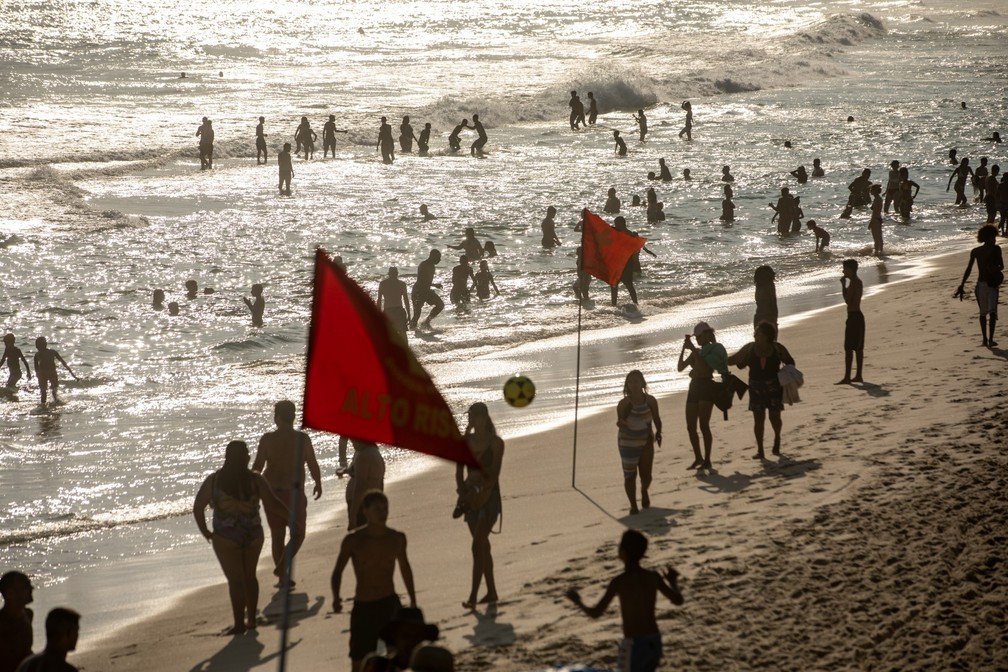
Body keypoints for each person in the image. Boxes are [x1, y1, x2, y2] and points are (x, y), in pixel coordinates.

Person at [193, 440, 286, 635]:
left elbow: (198, 506)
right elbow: (274, 503)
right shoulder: (256, 480)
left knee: (235, 581)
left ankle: (239, 624)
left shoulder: (215, 480)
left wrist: (206, 532)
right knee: (250, 577)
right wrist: (292, 520)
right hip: (252, 534)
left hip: (225, 537)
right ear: (246, 458)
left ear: (227, 458)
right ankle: (251, 620)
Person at [565, 531, 683, 672]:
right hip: (655, 641)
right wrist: (673, 582)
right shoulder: (653, 577)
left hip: (635, 645)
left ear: (623, 552)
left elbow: (596, 613)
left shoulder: (619, 582)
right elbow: (678, 600)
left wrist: (578, 601)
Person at [331, 491, 417, 672]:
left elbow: (405, 568)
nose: (382, 512)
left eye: (385, 508)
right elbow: (337, 571)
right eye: (377, 509)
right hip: (364, 606)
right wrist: (336, 597)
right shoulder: (353, 540)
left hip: (390, 603)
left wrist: (412, 598)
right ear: (365, 511)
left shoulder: (396, 538)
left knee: (397, 657)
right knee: (359, 661)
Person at [251, 400, 323, 586]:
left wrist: (251, 487)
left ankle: (283, 575)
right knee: (298, 534)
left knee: (277, 536)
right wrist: (318, 482)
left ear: (277, 418)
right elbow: (312, 463)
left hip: (272, 492)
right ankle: (283, 568)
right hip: (294, 493)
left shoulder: (267, 439)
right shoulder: (302, 439)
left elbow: (258, 467)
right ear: (293, 417)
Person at [454, 403, 504, 610]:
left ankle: (473, 596)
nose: (472, 420)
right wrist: (463, 493)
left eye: (475, 416)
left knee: (477, 544)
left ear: (484, 417)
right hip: (468, 498)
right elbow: (458, 472)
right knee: (482, 546)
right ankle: (491, 592)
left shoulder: (496, 443)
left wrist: (482, 493)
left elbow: (494, 474)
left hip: (490, 498)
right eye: (471, 417)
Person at [728, 322, 796, 459]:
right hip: (755, 388)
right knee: (758, 419)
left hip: (774, 387)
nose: (755, 335)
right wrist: (714, 354)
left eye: (758, 333)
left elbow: (790, 361)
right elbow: (732, 360)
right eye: (755, 332)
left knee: (774, 417)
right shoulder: (749, 348)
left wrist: (785, 376)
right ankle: (760, 450)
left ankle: (777, 438)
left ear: (767, 335)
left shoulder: (777, 348)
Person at [677, 322, 727, 470]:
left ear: (706, 335)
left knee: (704, 425)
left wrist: (693, 349)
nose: (697, 339)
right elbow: (680, 368)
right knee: (690, 426)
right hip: (694, 387)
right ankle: (698, 457)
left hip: (706, 386)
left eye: (698, 336)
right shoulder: (697, 351)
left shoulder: (713, 350)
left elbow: (705, 369)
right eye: (696, 337)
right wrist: (684, 349)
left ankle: (707, 459)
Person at [616, 370, 662, 515]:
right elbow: (621, 422)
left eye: (636, 381)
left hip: (646, 440)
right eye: (630, 382)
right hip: (627, 442)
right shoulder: (623, 404)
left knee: (646, 475)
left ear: (642, 383)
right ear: (627, 385)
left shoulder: (650, 400)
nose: (633, 385)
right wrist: (621, 422)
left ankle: (644, 490)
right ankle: (633, 505)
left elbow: (656, 418)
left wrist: (659, 432)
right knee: (630, 475)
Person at [954, 224, 1003, 347]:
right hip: (980, 285)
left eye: (995, 237)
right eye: (992, 237)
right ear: (986, 238)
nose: (995, 240)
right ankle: (984, 339)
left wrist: (995, 269)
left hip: (992, 284)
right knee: (982, 312)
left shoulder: (997, 249)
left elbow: (1001, 266)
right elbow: (969, 269)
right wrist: (962, 284)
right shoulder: (976, 252)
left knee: (992, 312)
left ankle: (991, 339)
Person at [363, 607, 439, 672]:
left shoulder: (435, 667)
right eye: (406, 636)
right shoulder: (379, 666)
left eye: (417, 636)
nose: (412, 641)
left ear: (423, 638)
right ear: (394, 637)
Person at [13, 608, 79, 672]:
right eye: (76, 631)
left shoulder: (26, 664)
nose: (77, 636)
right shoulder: (66, 670)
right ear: (68, 633)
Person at [340, 439, 385, 530]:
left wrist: (353, 515)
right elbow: (379, 482)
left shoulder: (363, 456)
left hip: (361, 505)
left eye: (353, 441)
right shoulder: (375, 453)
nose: (353, 445)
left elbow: (360, 486)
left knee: (360, 539)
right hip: (372, 502)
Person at [837, 259, 865, 384]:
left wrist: (843, 286)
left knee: (849, 348)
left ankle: (848, 377)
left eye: (845, 268)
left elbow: (848, 300)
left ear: (850, 270)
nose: (843, 271)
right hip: (856, 316)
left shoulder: (854, 283)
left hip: (854, 316)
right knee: (858, 348)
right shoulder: (857, 282)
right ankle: (858, 375)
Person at [0, 571, 33, 672]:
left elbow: (26, 651)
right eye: (26, 586)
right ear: (10, 594)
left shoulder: (28, 614)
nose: (32, 588)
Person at [33, 337, 77, 406]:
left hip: (43, 373)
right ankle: (56, 402)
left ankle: (43, 406)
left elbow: (36, 368)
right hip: (51, 372)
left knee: (43, 392)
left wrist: (38, 375)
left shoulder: (38, 354)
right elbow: (63, 362)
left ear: (37, 346)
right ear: (46, 344)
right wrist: (72, 373)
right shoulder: (52, 352)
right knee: (54, 390)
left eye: (37, 345)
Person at [409, 250, 444, 330]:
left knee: (440, 305)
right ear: (433, 256)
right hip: (418, 291)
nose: (439, 260)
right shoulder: (424, 265)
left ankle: (426, 322)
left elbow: (427, 281)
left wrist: (434, 285)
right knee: (417, 314)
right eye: (438, 258)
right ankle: (411, 331)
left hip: (426, 290)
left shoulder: (432, 266)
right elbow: (421, 281)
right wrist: (433, 285)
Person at [378, 267, 411, 337]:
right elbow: (406, 301)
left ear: (389, 274)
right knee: (403, 334)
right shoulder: (402, 284)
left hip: (388, 311)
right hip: (399, 311)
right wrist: (409, 315)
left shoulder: (383, 284)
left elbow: (379, 301)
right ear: (397, 274)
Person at [752, 264, 777, 329]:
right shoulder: (770, 286)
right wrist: (775, 318)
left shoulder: (759, 286)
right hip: (769, 317)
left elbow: (758, 302)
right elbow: (773, 303)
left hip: (760, 316)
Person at [869, 183, 884, 256]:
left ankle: (876, 253)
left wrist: (870, 222)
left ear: (874, 191)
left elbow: (874, 212)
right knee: (879, 237)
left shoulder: (876, 200)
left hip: (875, 219)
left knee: (876, 238)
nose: (870, 191)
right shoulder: (879, 199)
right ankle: (880, 251)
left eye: (871, 190)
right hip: (879, 219)